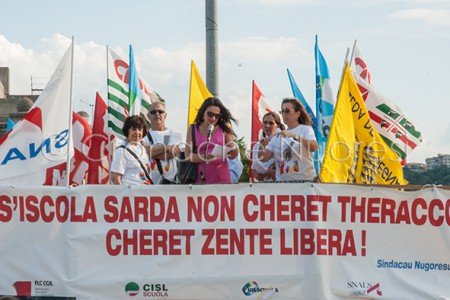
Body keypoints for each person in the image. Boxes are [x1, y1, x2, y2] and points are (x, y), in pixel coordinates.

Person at [259, 98, 318, 182]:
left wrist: (294, 136)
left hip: (304, 182)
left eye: (287, 111)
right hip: (283, 184)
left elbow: (314, 147)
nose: (284, 114)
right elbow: (263, 158)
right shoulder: (278, 136)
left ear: (297, 114)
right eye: (282, 111)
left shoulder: (305, 129)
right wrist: (262, 145)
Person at [185, 97, 238, 184]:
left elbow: (231, 154)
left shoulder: (225, 127)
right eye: (210, 114)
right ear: (203, 113)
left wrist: (234, 151)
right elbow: (187, 155)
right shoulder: (193, 129)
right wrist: (203, 157)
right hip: (199, 178)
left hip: (222, 178)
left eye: (217, 116)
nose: (213, 118)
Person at [142, 101, 182, 184]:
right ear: (148, 116)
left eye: (160, 111)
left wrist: (150, 151)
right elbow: (143, 153)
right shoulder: (142, 136)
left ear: (165, 115)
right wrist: (167, 148)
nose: (157, 114)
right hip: (149, 185)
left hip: (169, 184)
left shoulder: (174, 134)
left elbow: (173, 153)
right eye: (153, 112)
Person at [110, 115, 151, 185]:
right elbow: (115, 178)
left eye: (140, 129)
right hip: (130, 194)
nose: (137, 132)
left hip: (143, 194)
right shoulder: (121, 151)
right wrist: (125, 195)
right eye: (134, 129)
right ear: (127, 130)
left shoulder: (142, 149)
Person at [251, 111, 285, 182]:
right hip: (264, 187)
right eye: (265, 122)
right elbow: (254, 168)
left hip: (282, 183)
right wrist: (257, 175)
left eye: (271, 123)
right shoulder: (257, 145)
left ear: (277, 125)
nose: (267, 125)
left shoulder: (283, 141)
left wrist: (275, 172)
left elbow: (289, 164)